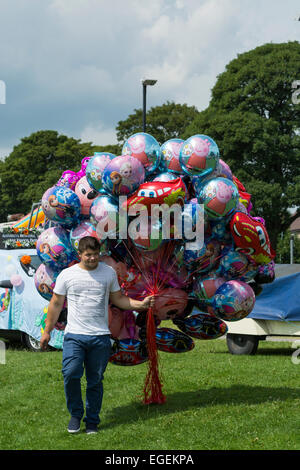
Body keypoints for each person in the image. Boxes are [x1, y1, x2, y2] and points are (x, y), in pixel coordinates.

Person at [40, 236, 154, 434]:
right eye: (88, 255)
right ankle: (76, 414)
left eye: (95, 255)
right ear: (80, 255)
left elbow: (119, 299)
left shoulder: (108, 273)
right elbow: (56, 304)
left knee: (95, 380)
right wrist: (47, 331)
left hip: (100, 336)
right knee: (70, 373)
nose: (93, 259)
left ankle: (92, 421)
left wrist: (141, 304)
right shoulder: (67, 275)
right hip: (74, 335)